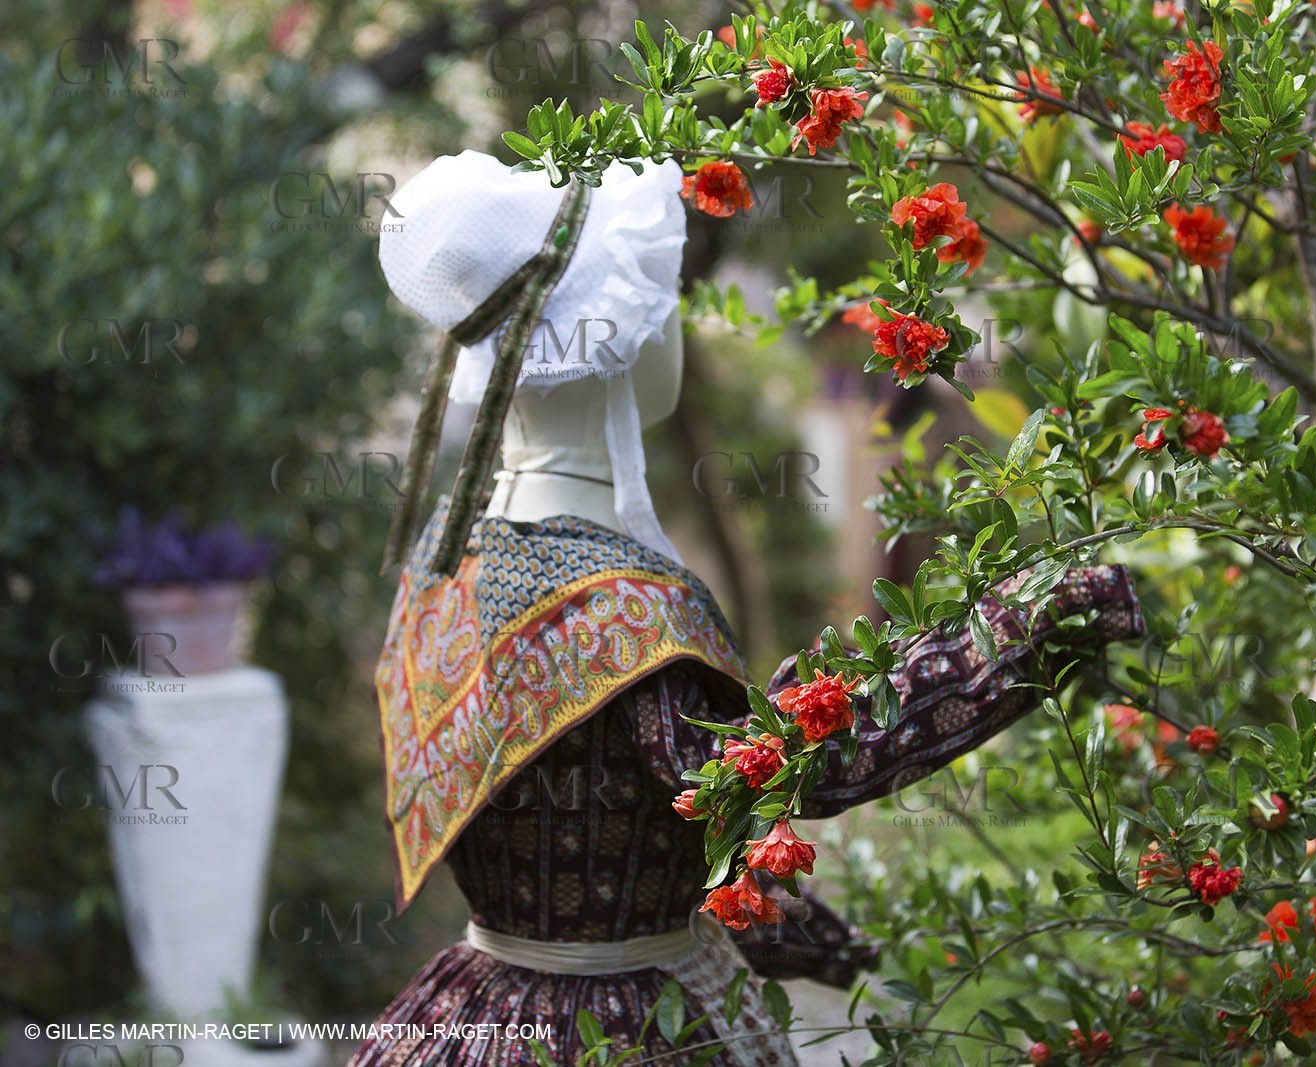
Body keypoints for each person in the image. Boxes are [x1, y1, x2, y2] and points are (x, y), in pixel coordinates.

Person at [351, 149, 1144, 1065]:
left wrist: (805, 935)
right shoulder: (622, 612)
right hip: (618, 1028)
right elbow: (782, 770)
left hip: (473, 1010)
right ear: (630, 340)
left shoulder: (440, 566)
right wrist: (1052, 607)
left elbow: (637, 816)